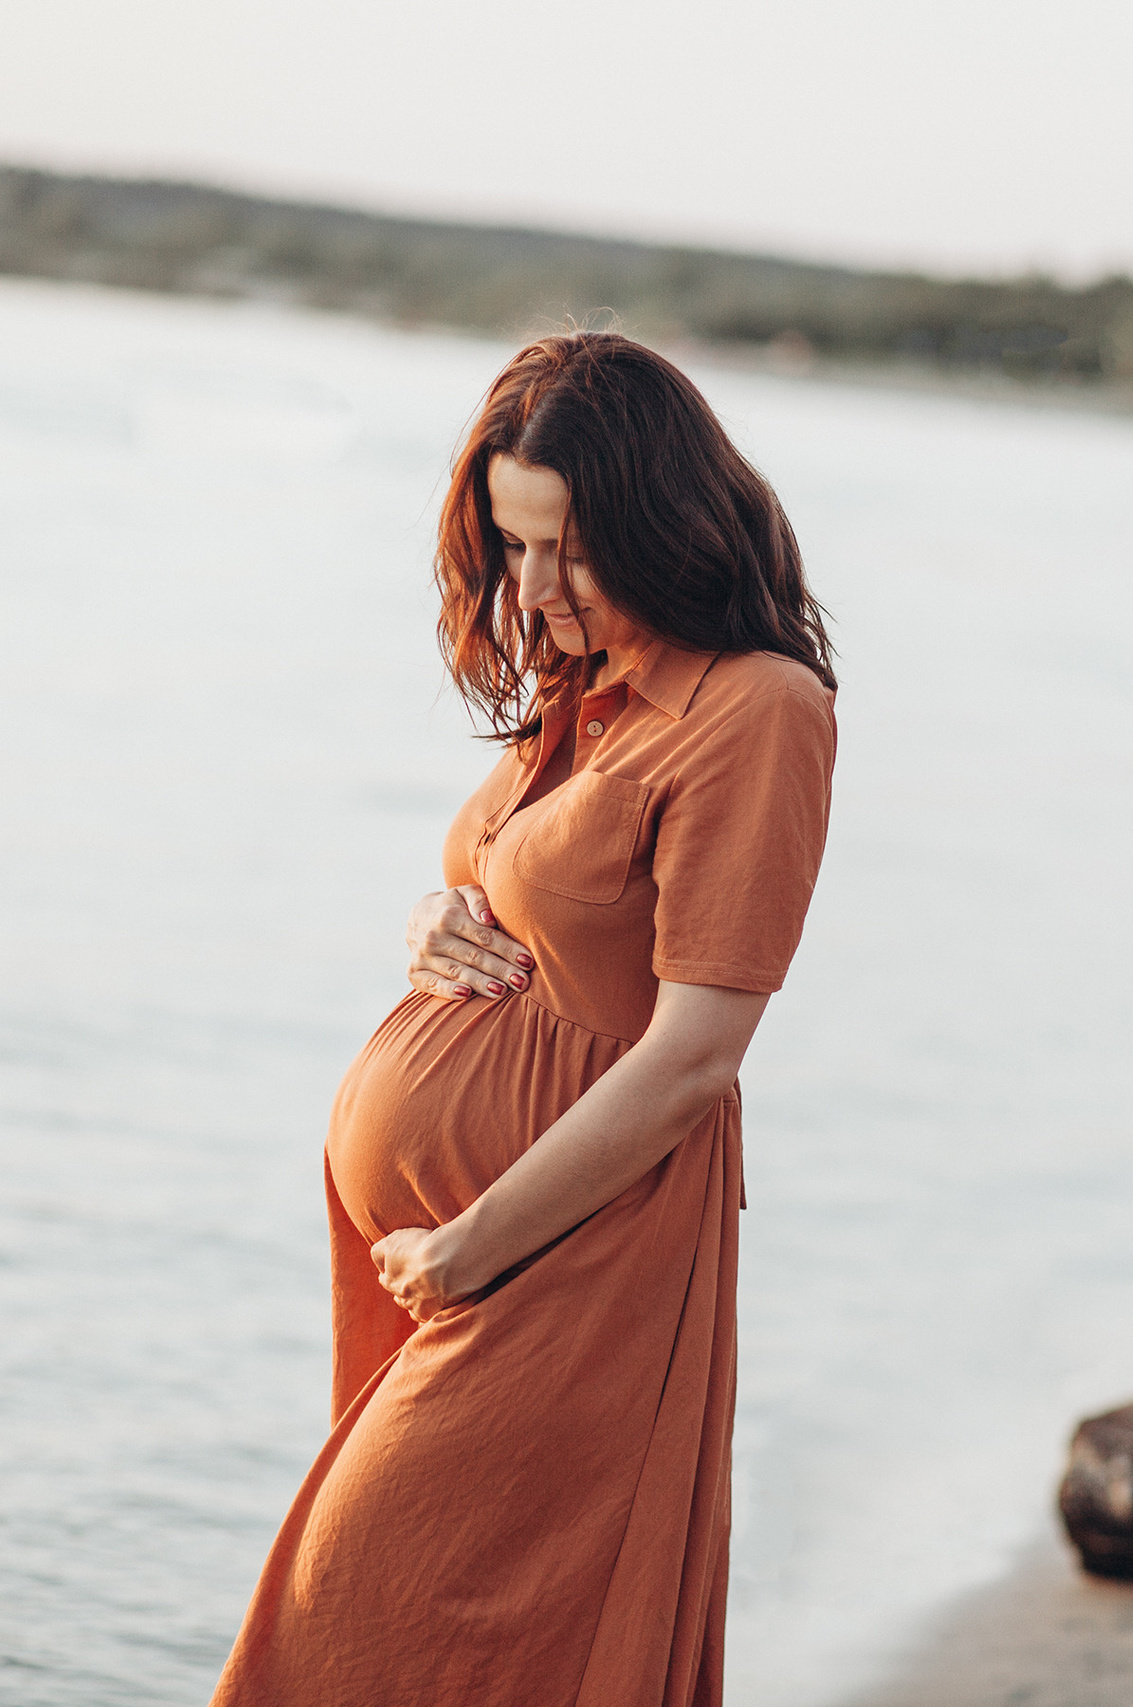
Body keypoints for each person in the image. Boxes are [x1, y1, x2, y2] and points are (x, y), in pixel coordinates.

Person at [211, 333, 838, 1707]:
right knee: (410, 1651)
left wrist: (473, 1249)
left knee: (351, 1634)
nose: (536, 589)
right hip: (444, 1255)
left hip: (561, 1257)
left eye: (571, 549)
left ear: (666, 526)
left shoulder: (756, 711)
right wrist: (435, 915)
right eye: (514, 547)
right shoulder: (582, 690)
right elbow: (527, 887)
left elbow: (695, 1054)